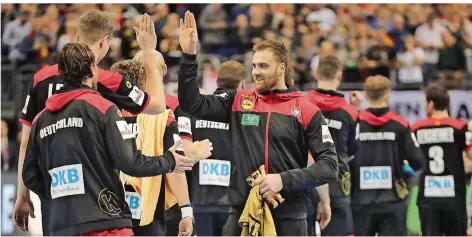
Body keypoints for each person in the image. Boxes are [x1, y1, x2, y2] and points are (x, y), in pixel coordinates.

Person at [177, 11, 338, 236]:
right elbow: (191, 103)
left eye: (263, 66)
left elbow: (330, 166)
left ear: (281, 68)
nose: (256, 72)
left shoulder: (306, 109)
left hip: (289, 218)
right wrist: (189, 55)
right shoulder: (239, 100)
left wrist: (282, 180)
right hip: (242, 214)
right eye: (253, 66)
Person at [13, 11, 166, 235]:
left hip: (59, 212)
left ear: (76, 37)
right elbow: (157, 106)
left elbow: (26, 142)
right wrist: (149, 52)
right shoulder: (108, 80)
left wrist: (22, 195)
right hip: (103, 210)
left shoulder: (40, 78)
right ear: (105, 41)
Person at [21, 42, 194, 236]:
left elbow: (29, 175)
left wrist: (60, 199)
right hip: (105, 224)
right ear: (93, 69)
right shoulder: (103, 108)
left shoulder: (39, 120)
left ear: (61, 73)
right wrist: (169, 161)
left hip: (60, 225)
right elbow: (131, 163)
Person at [110, 59, 211, 236]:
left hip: (109, 209)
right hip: (154, 211)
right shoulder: (165, 112)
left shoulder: (101, 115)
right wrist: (186, 210)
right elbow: (179, 160)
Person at [350, 75, 425, 236]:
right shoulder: (401, 124)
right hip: (393, 201)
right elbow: (418, 161)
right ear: (387, 95)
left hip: (360, 201)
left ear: (366, 95)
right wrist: (402, 169)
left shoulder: (355, 123)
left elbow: (343, 157)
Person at [189, 60, 246, 236]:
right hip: (234, 202)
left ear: (217, 81)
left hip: (199, 200)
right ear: (243, 84)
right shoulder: (247, 116)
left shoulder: (197, 110)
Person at [306, 56, 359, 236]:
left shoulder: (302, 105)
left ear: (315, 74)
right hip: (338, 183)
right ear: (339, 75)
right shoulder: (350, 112)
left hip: (304, 182)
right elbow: (352, 152)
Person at [412, 84, 472, 236]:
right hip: (454, 198)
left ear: (431, 104)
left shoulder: (417, 128)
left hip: (427, 198)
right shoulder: (460, 127)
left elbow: (410, 160)